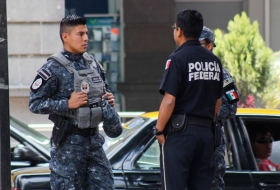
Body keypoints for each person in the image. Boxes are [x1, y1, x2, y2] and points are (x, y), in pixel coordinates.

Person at [29, 15, 116, 189]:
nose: (86, 38)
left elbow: (103, 90)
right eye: (80, 34)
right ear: (65, 37)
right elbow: (35, 103)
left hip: (94, 142)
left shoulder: (94, 64)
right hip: (67, 147)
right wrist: (66, 104)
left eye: (87, 33)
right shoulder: (53, 68)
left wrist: (108, 99)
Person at [155, 9, 223, 190]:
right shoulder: (214, 61)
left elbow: (169, 100)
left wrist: (159, 130)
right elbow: (218, 102)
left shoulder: (177, 58)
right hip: (206, 134)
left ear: (179, 31)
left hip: (180, 135)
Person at [199, 26, 239, 190]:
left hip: (212, 137)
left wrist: (206, 113)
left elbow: (232, 107)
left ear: (209, 46)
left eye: (199, 44)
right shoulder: (186, 71)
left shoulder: (224, 76)